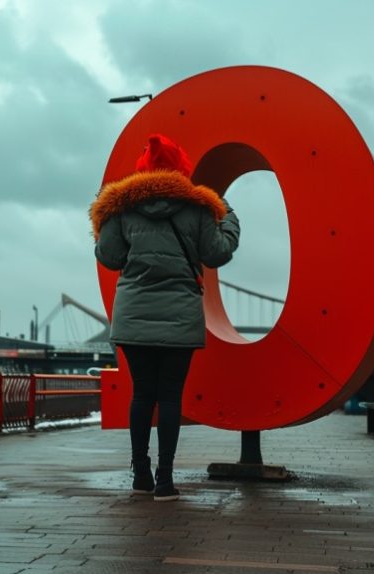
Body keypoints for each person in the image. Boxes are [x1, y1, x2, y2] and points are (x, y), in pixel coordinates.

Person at [89, 134, 241, 501]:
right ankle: (165, 481)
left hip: (134, 316)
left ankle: (140, 474)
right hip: (179, 316)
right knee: (170, 397)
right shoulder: (199, 209)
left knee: (142, 395)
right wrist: (230, 219)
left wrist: (109, 230)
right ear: (181, 170)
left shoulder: (122, 208)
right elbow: (217, 254)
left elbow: (108, 257)